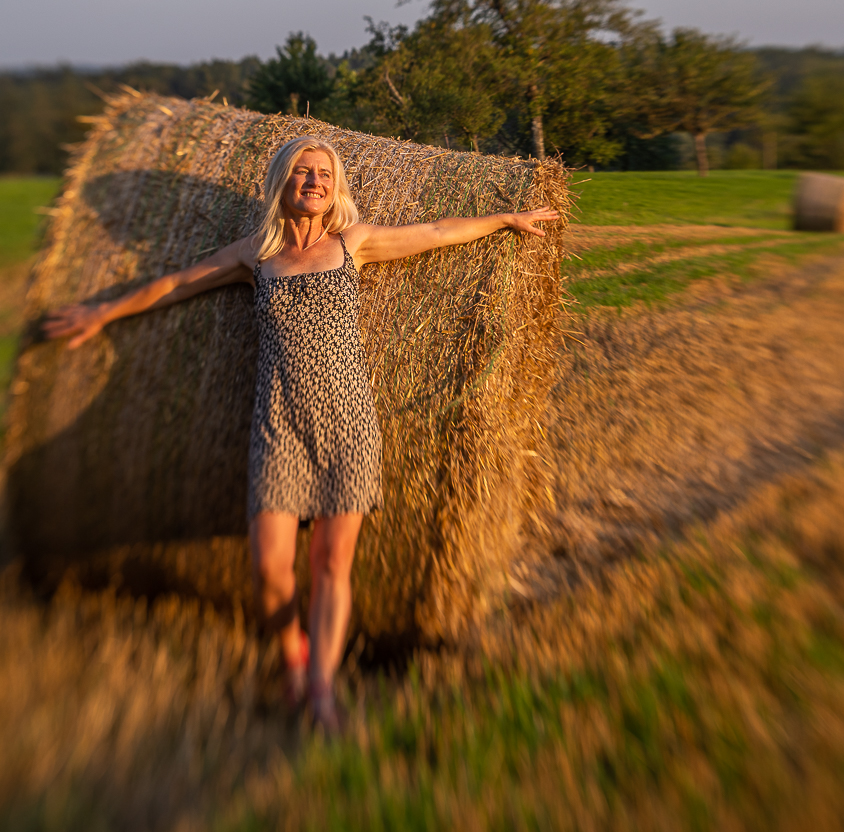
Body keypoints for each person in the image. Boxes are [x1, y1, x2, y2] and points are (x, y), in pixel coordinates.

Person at [41, 136, 558, 732]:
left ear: (336, 188)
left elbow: (438, 231)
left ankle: (319, 691)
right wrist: (101, 313)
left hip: (349, 426)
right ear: (282, 181)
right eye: (303, 172)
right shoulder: (253, 257)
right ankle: (293, 650)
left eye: (324, 174)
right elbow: (175, 284)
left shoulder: (352, 244)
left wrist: (506, 218)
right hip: (278, 426)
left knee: (332, 565)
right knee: (270, 572)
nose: (314, 181)